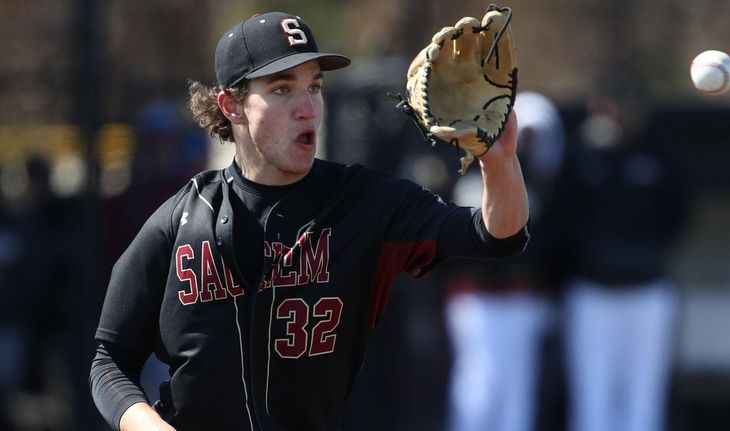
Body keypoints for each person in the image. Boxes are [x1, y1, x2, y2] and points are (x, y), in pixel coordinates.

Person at [89, 11, 530, 431]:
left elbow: (494, 235)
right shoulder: (181, 219)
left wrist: (498, 162)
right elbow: (109, 357)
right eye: (282, 88)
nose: (309, 107)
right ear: (231, 106)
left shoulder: (361, 202)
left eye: (314, 86)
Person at [554, 72, 691, 431]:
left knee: (644, 393)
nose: (615, 113)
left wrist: (643, 253)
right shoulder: (580, 155)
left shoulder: (658, 152)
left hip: (647, 291)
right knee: (592, 391)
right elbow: (563, 219)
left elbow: (678, 215)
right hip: (593, 292)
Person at [443, 91, 565, 431]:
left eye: (534, 136)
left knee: (517, 390)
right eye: (524, 133)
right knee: (479, 385)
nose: (528, 142)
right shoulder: (470, 169)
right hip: (476, 296)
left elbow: (550, 247)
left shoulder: (547, 185)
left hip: (523, 297)